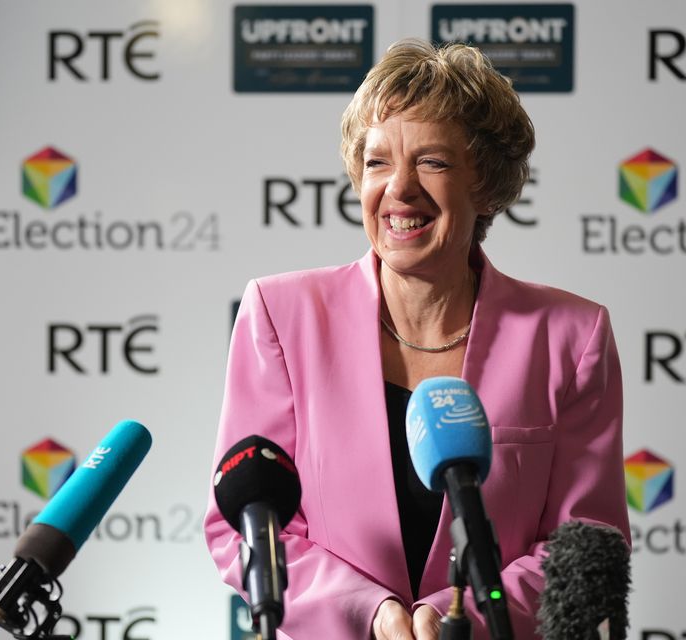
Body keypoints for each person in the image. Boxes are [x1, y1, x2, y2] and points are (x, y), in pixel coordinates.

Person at [204, 38, 629, 640]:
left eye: (432, 161)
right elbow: (241, 526)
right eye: (377, 162)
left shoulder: (571, 336)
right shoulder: (281, 314)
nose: (398, 189)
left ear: (485, 185)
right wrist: (371, 612)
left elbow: (587, 543)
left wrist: (457, 619)